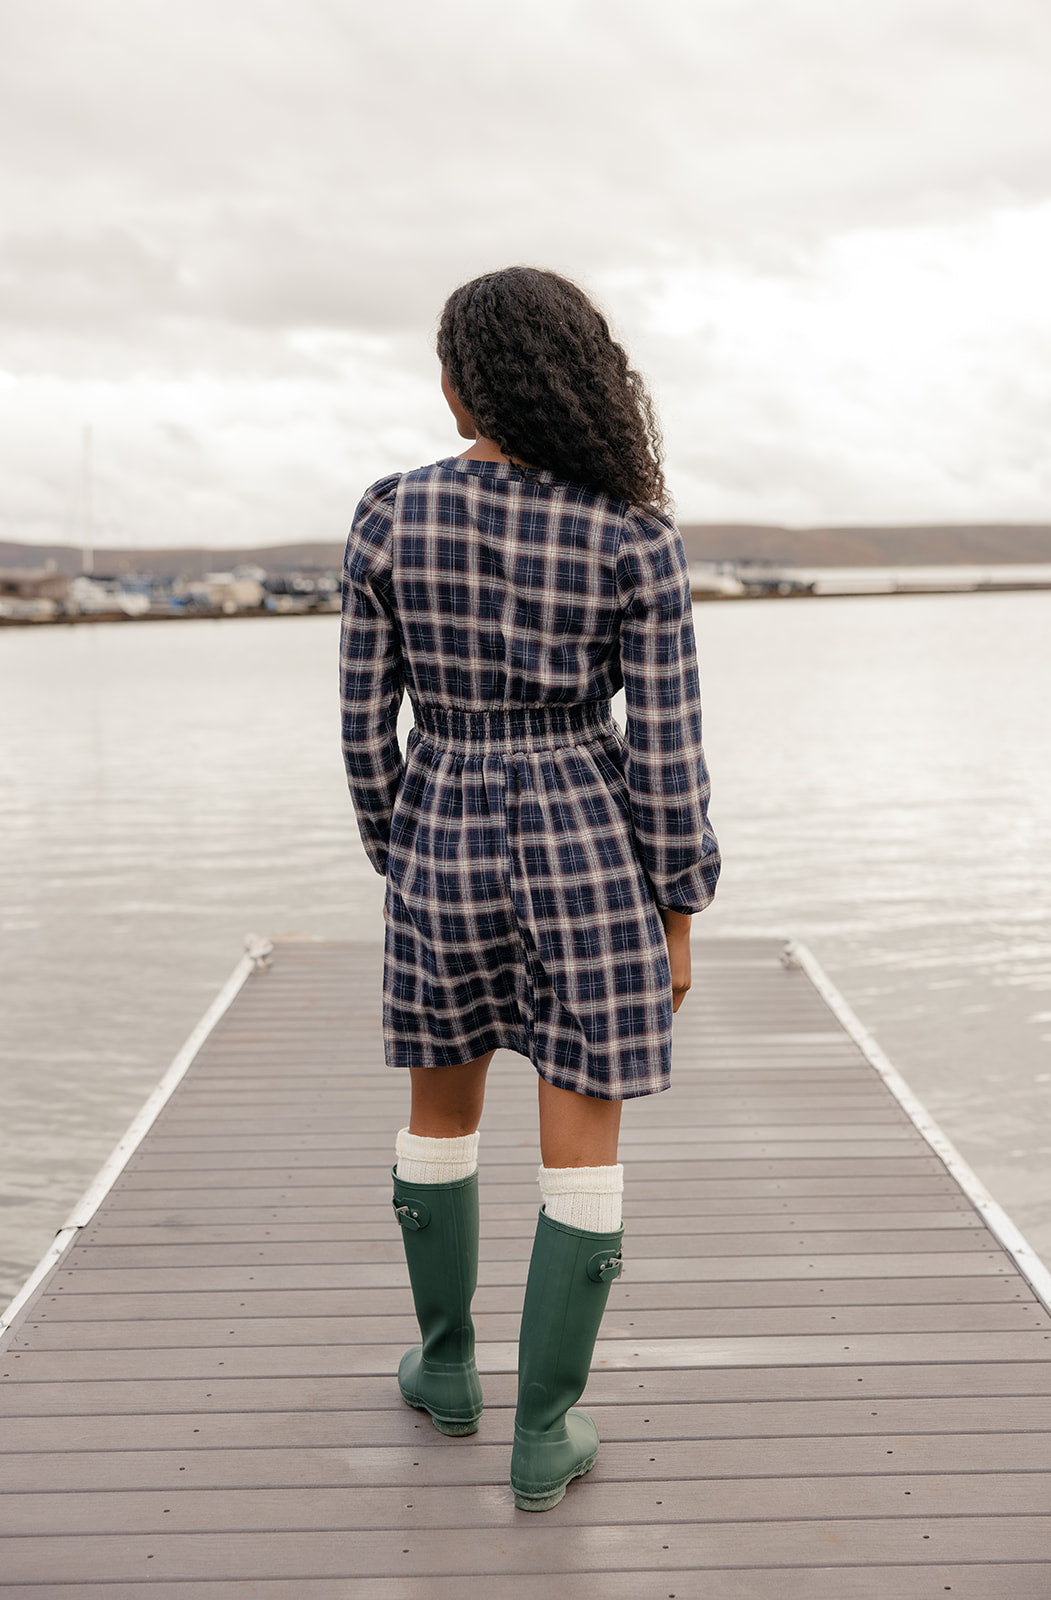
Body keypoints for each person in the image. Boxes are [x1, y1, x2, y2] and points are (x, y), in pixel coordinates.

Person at [340, 266, 720, 1511]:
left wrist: (400, 848)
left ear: (474, 382)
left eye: (445, 364)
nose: (437, 387)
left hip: (439, 814)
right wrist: (675, 910)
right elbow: (667, 756)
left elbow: (361, 727)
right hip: (586, 841)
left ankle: (447, 1372)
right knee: (583, 1150)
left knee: (438, 1119)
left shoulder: (390, 516)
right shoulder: (632, 534)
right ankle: (542, 1434)